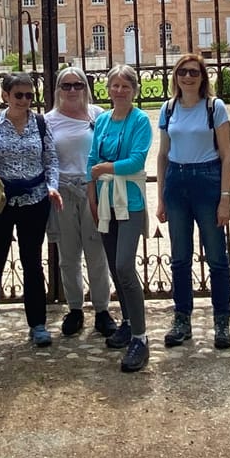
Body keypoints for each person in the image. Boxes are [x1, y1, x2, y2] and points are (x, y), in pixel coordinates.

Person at [0, 72, 61, 348]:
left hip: (35, 200)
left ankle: (37, 323)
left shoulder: (40, 123)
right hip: (2, 203)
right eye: (19, 95)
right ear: (5, 96)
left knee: (33, 263)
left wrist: (52, 186)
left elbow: (51, 159)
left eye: (29, 96)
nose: (24, 100)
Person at [156, 52, 230, 350]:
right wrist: (161, 197)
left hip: (207, 181)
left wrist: (225, 199)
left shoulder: (214, 108)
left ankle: (221, 321)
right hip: (177, 182)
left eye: (194, 72)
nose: (188, 77)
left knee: (216, 256)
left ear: (203, 77)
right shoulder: (168, 109)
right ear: (175, 76)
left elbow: (227, 156)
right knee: (180, 256)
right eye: (182, 72)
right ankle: (182, 319)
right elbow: (163, 155)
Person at [89, 64, 153, 373]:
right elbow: (91, 160)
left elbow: (136, 162)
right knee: (115, 266)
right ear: (107, 89)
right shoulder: (101, 120)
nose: (119, 90)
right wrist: (91, 193)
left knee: (126, 265)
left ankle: (140, 338)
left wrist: (104, 169)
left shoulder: (140, 120)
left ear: (134, 90)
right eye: (114, 85)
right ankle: (127, 323)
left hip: (130, 201)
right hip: (104, 202)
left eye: (125, 85)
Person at [45, 65, 116, 339]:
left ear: (86, 88)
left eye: (78, 85)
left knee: (96, 252)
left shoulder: (98, 115)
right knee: (69, 254)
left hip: (93, 189)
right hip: (63, 190)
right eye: (66, 85)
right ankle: (74, 308)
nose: (72, 90)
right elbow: (46, 159)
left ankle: (101, 309)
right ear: (58, 90)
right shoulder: (48, 120)